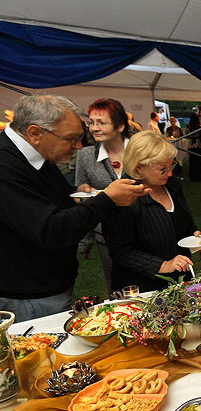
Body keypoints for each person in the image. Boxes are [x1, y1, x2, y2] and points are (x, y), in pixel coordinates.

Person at [0, 94, 147, 321]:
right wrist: (107, 200)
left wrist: (80, 201)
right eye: (71, 139)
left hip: (47, 287)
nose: (78, 147)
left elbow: (51, 207)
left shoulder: (34, 156)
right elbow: (51, 229)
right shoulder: (6, 166)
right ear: (35, 133)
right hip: (29, 297)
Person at [103, 131, 201, 292]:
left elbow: (182, 219)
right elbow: (120, 251)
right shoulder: (124, 198)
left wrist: (193, 233)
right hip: (143, 289)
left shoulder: (172, 184)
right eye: (163, 169)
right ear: (139, 168)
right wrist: (163, 265)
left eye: (171, 166)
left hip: (180, 282)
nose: (169, 173)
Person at [75, 98, 131, 294]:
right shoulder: (86, 156)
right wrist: (85, 242)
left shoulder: (141, 150)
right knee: (116, 288)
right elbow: (83, 200)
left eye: (101, 123)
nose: (94, 128)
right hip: (106, 234)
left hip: (144, 229)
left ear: (120, 125)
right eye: (91, 122)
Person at [185, 113, 201, 182]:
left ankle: (192, 176)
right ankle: (199, 177)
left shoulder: (188, 127)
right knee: (199, 162)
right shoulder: (200, 127)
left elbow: (186, 135)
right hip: (199, 145)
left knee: (192, 162)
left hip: (191, 146)